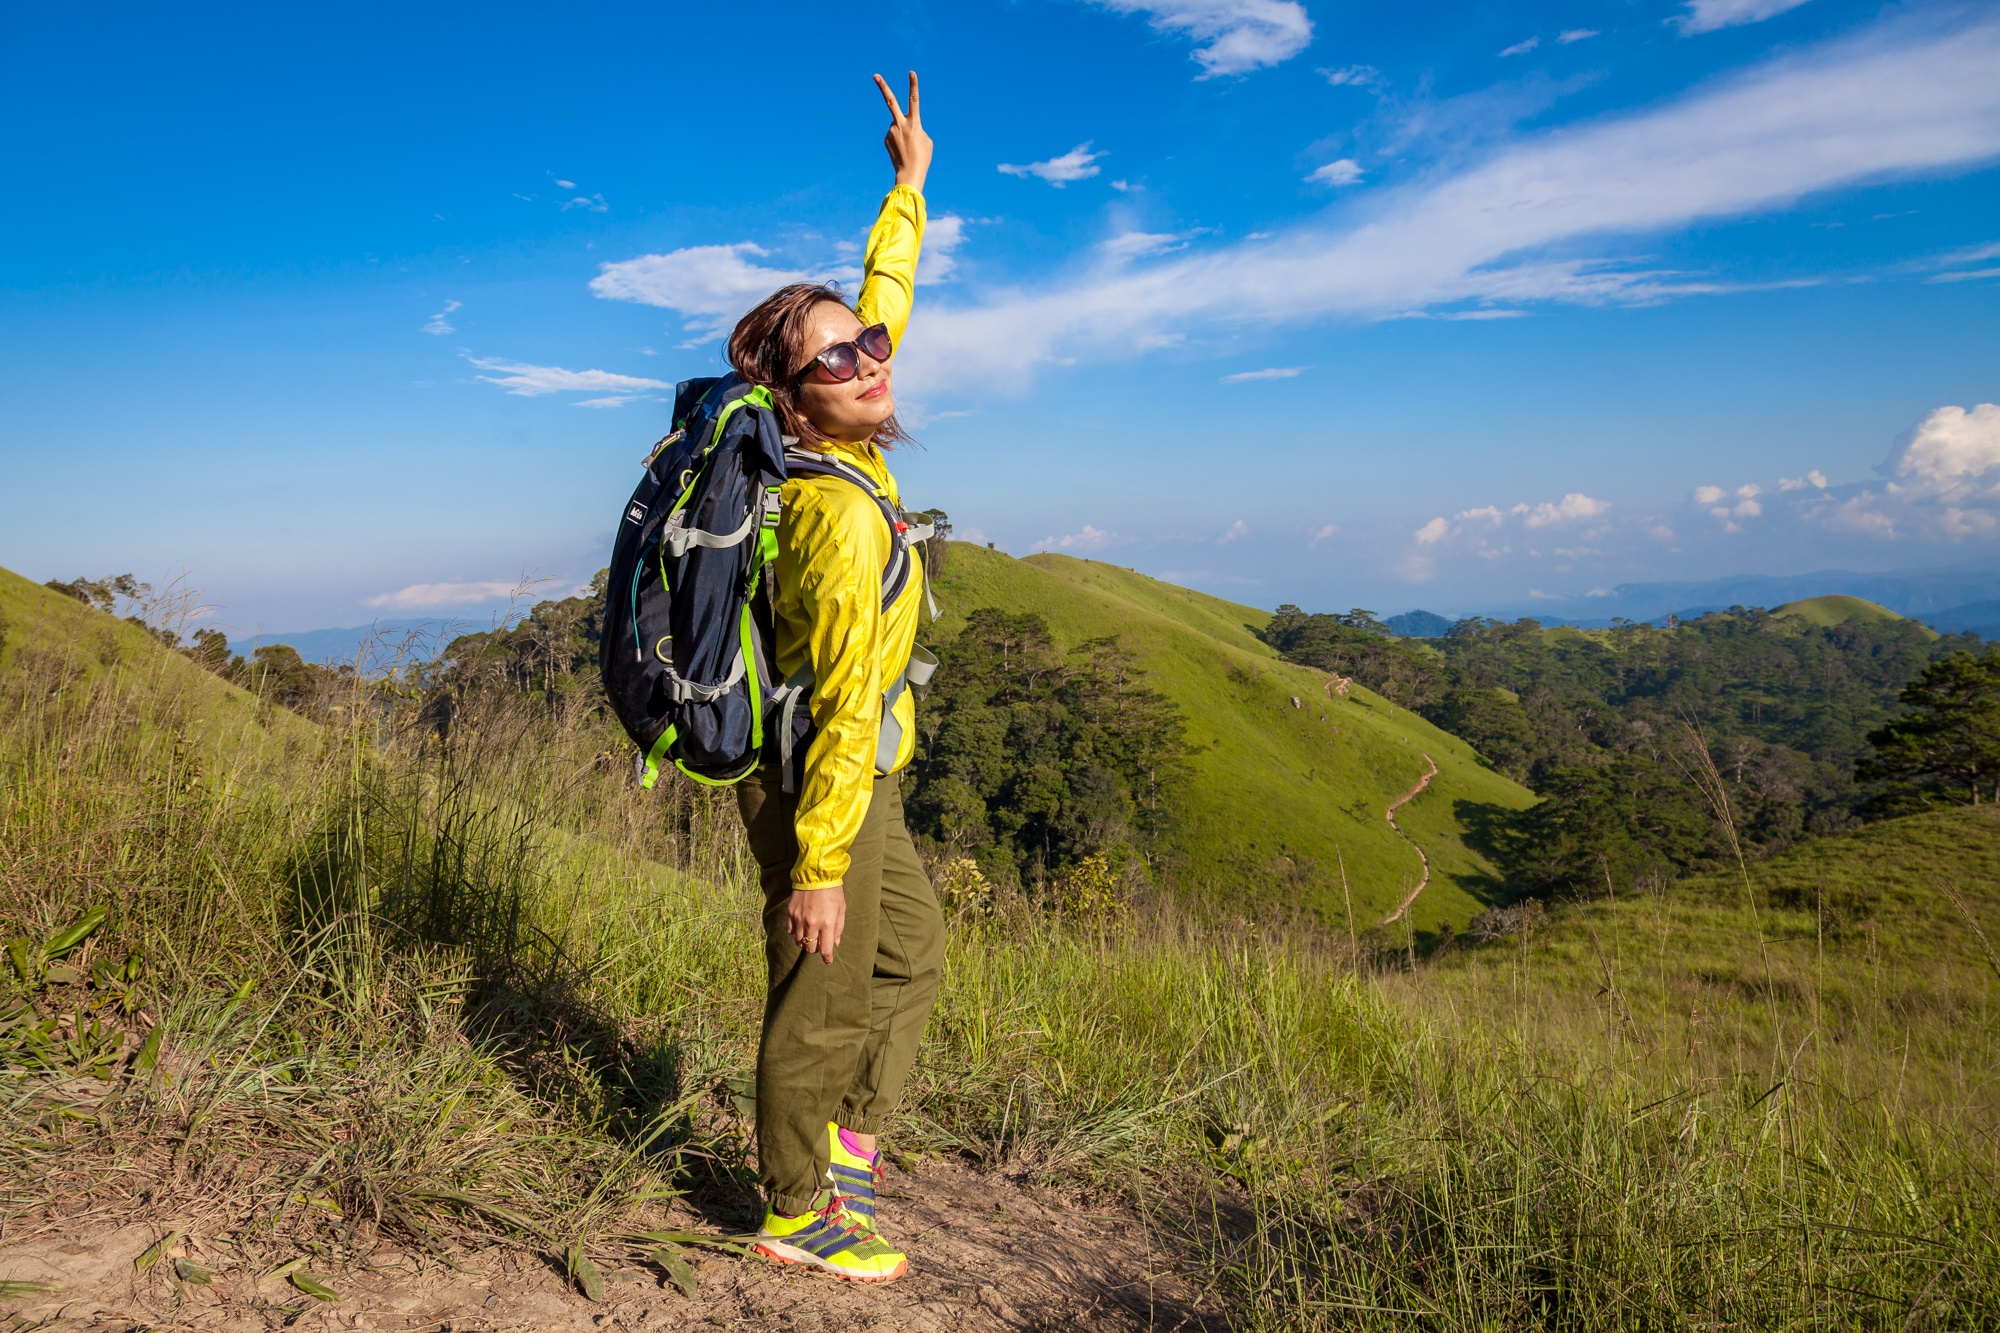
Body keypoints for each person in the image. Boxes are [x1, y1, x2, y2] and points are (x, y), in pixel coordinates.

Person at [726, 71, 940, 1283]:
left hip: (858, 773)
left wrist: (905, 189)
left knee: (910, 956)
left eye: (866, 347)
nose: (870, 359)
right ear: (792, 404)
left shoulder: (838, 426)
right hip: (819, 773)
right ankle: (796, 1205)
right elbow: (848, 689)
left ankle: (845, 1143)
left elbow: (881, 302)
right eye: (837, 361)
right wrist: (815, 866)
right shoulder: (838, 517)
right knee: (823, 975)